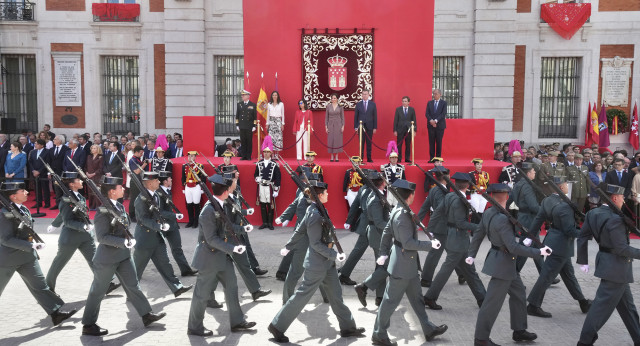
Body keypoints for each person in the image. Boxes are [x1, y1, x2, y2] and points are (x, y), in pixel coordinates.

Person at [269, 180, 366, 343]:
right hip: (317, 264)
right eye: (326, 193)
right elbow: (314, 244)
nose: (328, 194)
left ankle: (348, 327)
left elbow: (300, 229)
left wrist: (289, 245)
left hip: (326, 263)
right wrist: (335, 254)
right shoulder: (314, 214)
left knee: (336, 295)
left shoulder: (317, 209)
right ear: (320, 195)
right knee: (301, 296)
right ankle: (277, 326)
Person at [81, 176, 166, 336]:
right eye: (120, 188)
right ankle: (88, 324)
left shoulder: (119, 206)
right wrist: (123, 242)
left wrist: (128, 240)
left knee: (133, 286)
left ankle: (146, 315)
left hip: (123, 256)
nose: (124, 189)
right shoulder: (102, 213)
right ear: (112, 192)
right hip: (106, 259)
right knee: (98, 291)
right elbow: (102, 237)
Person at [467, 183, 546, 346]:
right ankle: (481, 339)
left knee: (519, 295)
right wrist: (539, 252)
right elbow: (513, 247)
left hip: (505, 264)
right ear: (506, 196)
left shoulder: (489, 212)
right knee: (491, 304)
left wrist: (471, 255)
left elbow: (478, 234)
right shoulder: (502, 218)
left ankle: (519, 330)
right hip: (502, 265)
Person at [372, 179, 448, 346]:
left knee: (417, 299)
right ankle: (379, 334)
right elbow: (407, 243)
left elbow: (386, 232)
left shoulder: (398, 210)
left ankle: (428, 329)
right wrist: (430, 245)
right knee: (389, 302)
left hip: (408, 265)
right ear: (411, 195)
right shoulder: (402, 216)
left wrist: (383, 253)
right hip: (402, 265)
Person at [187, 174, 256, 337]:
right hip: (209, 258)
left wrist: (242, 229)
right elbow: (211, 239)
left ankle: (237, 322)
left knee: (232, 287)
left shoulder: (220, 205)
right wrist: (232, 248)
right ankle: (194, 327)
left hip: (222, 257)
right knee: (201, 295)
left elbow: (227, 225)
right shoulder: (208, 210)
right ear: (225, 191)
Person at [0, 181, 77, 327]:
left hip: (27, 257)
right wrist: (31, 245)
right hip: (8, 259)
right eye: (23, 191)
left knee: (40, 286)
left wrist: (32, 246)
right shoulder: (5, 215)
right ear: (13, 196)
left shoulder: (23, 209)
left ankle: (56, 314)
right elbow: (5, 239)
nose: (27, 192)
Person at [577, 184, 640, 346]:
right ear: (614, 198)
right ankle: (584, 341)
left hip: (610, 265)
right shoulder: (615, 219)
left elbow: (583, 237)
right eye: (622, 197)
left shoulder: (593, 213)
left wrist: (583, 260)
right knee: (599, 309)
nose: (624, 199)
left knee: (628, 308)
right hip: (616, 268)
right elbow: (622, 248)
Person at [526, 175, 592, 318]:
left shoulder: (547, 200)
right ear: (561, 187)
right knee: (547, 276)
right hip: (561, 245)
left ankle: (583, 302)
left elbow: (538, 220)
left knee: (568, 275)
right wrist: (586, 234)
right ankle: (533, 305)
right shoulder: (564, 205)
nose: (568, 187)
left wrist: (529, 237)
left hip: (554, 242)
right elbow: (569, 230)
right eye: (566, 185)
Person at [45, 171, 119, 294]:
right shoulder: (65, 200)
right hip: (70, 238)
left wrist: (55, 224)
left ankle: (107, 284)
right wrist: (82, 226)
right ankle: (48, 288)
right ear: (72, 184)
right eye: (78, 180)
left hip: (85, 237)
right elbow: (67, 220)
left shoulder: (79, 197)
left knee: (95, 260)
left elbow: (69, 213)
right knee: (59, 263)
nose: (81, 181)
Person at [424, 172, 486, 310]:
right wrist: (481, 227)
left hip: (453, 237)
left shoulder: (450, 196)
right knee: (448, 271)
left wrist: (430, 229)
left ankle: (483, 298)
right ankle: (429, 297)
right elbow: (461, 223)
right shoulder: (459, 200)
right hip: (459, 240)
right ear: (468, 185)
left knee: (469, 271)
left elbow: (437, 213)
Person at [132, 171, 192, 298]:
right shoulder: (140, 199)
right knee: (137, 269)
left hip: (156, 237)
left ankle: (177, 287)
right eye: (156, 180)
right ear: (149, 183)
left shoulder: (156, 196)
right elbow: (143, 219)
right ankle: (131, 293)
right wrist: (158, 226)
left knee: (165, 264)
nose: (159, 182)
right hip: (144, 239)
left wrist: (169, 218)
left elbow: (158, 212)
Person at [417, 167, 464, 288]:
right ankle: (426, 279)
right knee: (436, 254)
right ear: (446, 177)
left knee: (453, 251)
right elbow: (442, 208)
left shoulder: (435, 190)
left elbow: (424, 207)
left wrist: (417, 221)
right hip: (442, 227)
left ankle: (462, 274)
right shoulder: (439, 191)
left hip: (442, 226)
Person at [354, 171, 391, 307]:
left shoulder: (376, 194)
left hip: (379, 233)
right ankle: (363, 287)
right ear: (382, 183)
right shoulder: (376, 198)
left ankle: (380, 297)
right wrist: (394, 225)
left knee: (381, 266)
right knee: (386, 266)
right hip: (378, 234)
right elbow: (378, 222)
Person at [156, 171, 198, 277]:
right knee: (150, 250)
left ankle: (185, 270)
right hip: (162, 225)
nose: (171, 180)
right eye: (169, 179)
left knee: (177, 248)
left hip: (172, 225)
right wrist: (174, 216)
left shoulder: (166, 191)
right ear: (165, 181)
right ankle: (136, 272)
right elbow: (160, 211)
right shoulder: (158, 193)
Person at [254, 146, 281, 230]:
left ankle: (270, 223)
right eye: (264, 152)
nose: (266, 153)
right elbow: (255, 174)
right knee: (262, 204)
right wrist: (257, 178)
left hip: (270, 186)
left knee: (270, 205)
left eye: (267, 152)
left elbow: (278, 177)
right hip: (261, 186)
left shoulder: (274, 164)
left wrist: (276, 189)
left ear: (271, 153)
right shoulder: (259, 163)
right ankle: (264, 222)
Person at [182, 151, 206, 228]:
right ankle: (190, 221)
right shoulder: (184, 166)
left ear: (195, 157)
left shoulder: (199, 166)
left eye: (192, 156)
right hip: (188, 187)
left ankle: (196, 221)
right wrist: (184, 187)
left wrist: (202, 188)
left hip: (196, 186)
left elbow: (203, 178)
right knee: (189, 204)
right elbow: (183, 178)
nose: (190, 158)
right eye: (189, 156)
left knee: (196, 204)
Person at [353, 90, 377, 162]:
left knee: (369, 143)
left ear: (368, 95)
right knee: (361, 143)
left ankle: (369, 158)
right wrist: (356, 127)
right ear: (362, 95)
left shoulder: (373, 104)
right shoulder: (358, 104)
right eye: (363, 94)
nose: (364, 95)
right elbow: (356, 116)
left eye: (366, 94)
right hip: (361, 126)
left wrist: (375, 127)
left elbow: (375, 116)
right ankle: (361, 158)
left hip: (370, 126)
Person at [28, 139, 51, 209]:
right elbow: (30, 162)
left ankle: (47, 203)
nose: (35, 145)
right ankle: (39, 203)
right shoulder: (33, 152)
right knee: (37, 189)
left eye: (37, 144)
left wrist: (39, 171)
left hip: (43, 173)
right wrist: (33, 171)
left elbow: (47, 162)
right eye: (35, 143)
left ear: (42, 145)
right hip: (34, 173)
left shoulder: (47, 152)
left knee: (45, 188)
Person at [393, 96, 417, 163]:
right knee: (399, 145)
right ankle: (399, 158)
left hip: (409, 130)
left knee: (408, 144)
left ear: (408, 102)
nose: (404, 102)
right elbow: (395, 120)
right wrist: (395, 130)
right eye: (403, 101)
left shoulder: (412, 110)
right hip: (400, 129)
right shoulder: (398, 109)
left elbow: (414, 120)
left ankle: (407, 158)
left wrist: (414, 130)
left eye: (405, 101)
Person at [127, 146, 147, 222]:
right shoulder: (133, 160)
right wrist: (144, 164)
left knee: (138, 198)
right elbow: (137, 171)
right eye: (141, 153)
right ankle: (132, 215)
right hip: (135, 181)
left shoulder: (137, 159)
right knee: (134, 198)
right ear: (136, 152)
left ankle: (136, 214)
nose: (142, 154)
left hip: (139, 180)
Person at [425, 89, 447, 160]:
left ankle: (438, 158)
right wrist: (431, 121)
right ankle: (431, 158)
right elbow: (427, 113)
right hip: (430, 126)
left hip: (440, 126)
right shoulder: (430, 103)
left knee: (438, 142)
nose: (434, 95)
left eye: (436, 94)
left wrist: (435, 121)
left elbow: (443, 114)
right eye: (433, 94)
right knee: (431, 142)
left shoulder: (443, 103)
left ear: (440, 94)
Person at [236, 89, 257, 160]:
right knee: (243, 141)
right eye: (242, 95)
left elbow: (255, 117)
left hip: (249, 126)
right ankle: (243, 155)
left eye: (243, 95)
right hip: (242, 125)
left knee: (249, 141)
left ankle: (248, 156)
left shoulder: (252, 105)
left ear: (248, 96)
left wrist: (254, 126)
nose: (242, 96)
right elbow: (237, 115)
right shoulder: (239, 104)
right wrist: (237, 125)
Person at [468, 158, 489, 223]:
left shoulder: (485, 174)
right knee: (475, 210)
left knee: (481, 211)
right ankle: (473, 227)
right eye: (477, 164)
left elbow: (487, 184)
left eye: (480, 164)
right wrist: (471, 193)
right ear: (474, 165)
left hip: (483, 194)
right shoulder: (471, 174)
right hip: (475, 193)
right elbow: (468, 186)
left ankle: (479, 226)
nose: (479, 166)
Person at [325, 93, 344, 162]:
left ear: (337, 99)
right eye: (332, 98)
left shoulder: (340, 106)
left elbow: (342, 117)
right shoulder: (328, 106)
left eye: (335, 98)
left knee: (337, 140)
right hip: (330, 125)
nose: (333, 99)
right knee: (331, 140)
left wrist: (343, 126)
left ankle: (337, 156)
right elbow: (326, 117)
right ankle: (332, 156)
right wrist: (326, 127)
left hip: (338, 125)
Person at [85, 144, 104, 210]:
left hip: (97, 177)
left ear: (98, 149)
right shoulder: (89, 156)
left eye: (94, 148)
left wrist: (93, 174)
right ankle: (91, 206)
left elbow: (101, 168)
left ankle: (98, 206)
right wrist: (87, 173)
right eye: (92, 148)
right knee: (90, 192)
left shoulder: (101, 157)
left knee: (97, 192)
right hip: (89, 176)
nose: (93, 149)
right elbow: (86, 166)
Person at [267, 91, 285, 155]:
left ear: (278, 96)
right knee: (271, 138)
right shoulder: (269, 104)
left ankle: (277, 154)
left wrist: (282, 123)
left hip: (278, 121)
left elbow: (283, 114)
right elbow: (268, 115)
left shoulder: (281, 104)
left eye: (276, 95)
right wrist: (267, 124)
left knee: (278, 138)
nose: (274, 96)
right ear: (272, 96)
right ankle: (272, 154)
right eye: (273, 95)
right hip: (271, 122)